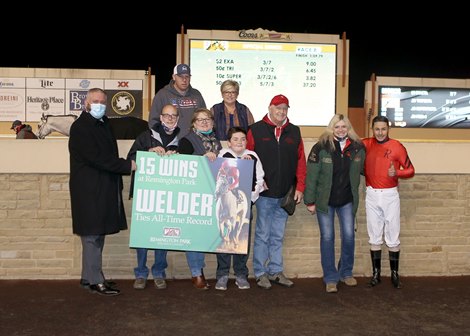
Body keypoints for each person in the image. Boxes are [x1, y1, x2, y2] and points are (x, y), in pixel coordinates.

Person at [68, 88, 136, 296]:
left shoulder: (103, 123)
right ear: (86, 103)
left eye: (102, 101)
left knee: (96, 234)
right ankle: (97, 281)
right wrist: (127, 166)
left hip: (102, 187)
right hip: (88, 190)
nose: (99, 104)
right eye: (95, 101)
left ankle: (88, 277)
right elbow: (96, 158)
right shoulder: (80, 127)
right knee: (92, 235)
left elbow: (107, 154)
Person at [246, 94, 306, 289]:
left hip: (285, 194)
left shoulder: (294, 132)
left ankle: (275, 270)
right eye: (277, 108)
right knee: (263, 234)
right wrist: (254, 186)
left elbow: (301, 162)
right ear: (270, 108)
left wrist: (300, 187)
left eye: (285, 108)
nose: (281, 112)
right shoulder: (255, 129)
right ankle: (260, 272)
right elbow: (248, 159)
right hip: (264, 194)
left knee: (278, 234)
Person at [304, 114, 365, 293]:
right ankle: (330, 277)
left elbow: (364, 170)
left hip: (347, 200)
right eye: (337, 126)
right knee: (328, 238)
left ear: (349, 128)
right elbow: (312, 175)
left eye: (344, 126)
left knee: (349, 236)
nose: (340, 130)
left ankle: (346, 272)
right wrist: (310, 200)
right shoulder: (320, 148)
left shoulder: (357, 148)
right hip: (325, 201)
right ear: (331, 128)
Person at [127, 104, 179, 290]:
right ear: (160, 117)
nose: (170, 119)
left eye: (174, 116)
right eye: (167, 115)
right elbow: (130, 158)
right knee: (143, 235)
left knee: (162, 235)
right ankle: (140, 273)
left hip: (169, 197)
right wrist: (147, 153)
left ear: (178, 118)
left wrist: (178, 157)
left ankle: (158, 272)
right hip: (145, 195)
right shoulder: (146, 136)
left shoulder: (181, 139)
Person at [363, 115, 415, 289]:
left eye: (383, 129)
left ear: (388, 129)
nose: (380, 132)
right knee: (374, 235)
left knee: (393, 235)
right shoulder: (365, 144)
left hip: (390, 195)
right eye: (376, 129)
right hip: (371, 194)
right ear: (372, 129)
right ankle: (376, 274)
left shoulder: (397, 146)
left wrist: (397, 173)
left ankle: (394, 274)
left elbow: (410, 170)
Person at [215, 126, 265, 291]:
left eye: (242, 139)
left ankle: (241, 274)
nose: (239, 142)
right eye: (235, 139)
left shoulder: (253, 156)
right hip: (225, 204)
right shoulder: (222, 156)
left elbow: (259, 179)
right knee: (224, 236)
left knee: (241, 237)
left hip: (243, 204)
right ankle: (222, 274)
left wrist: (250, 198)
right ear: (229, 142)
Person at [178, 108, 222, 289]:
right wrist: (202, 158)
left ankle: (199, 271)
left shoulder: (216, 142)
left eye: (208, 119)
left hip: (212, 193)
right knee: (195, 234)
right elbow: (183, 164)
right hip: (194, 193)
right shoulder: (186, 140)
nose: (204, 122)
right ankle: (196, 273)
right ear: (193, 123)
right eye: (200, 120)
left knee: (204, 232)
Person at [148, 63, 206, 137]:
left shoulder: (196, 95)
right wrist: (160, 139)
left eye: (187, 76)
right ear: (174, 77)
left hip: (193, 143)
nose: (184, 80)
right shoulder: (162, 95)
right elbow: (153, 121)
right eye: (180, 76)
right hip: (170, 143)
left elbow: (205, 118)